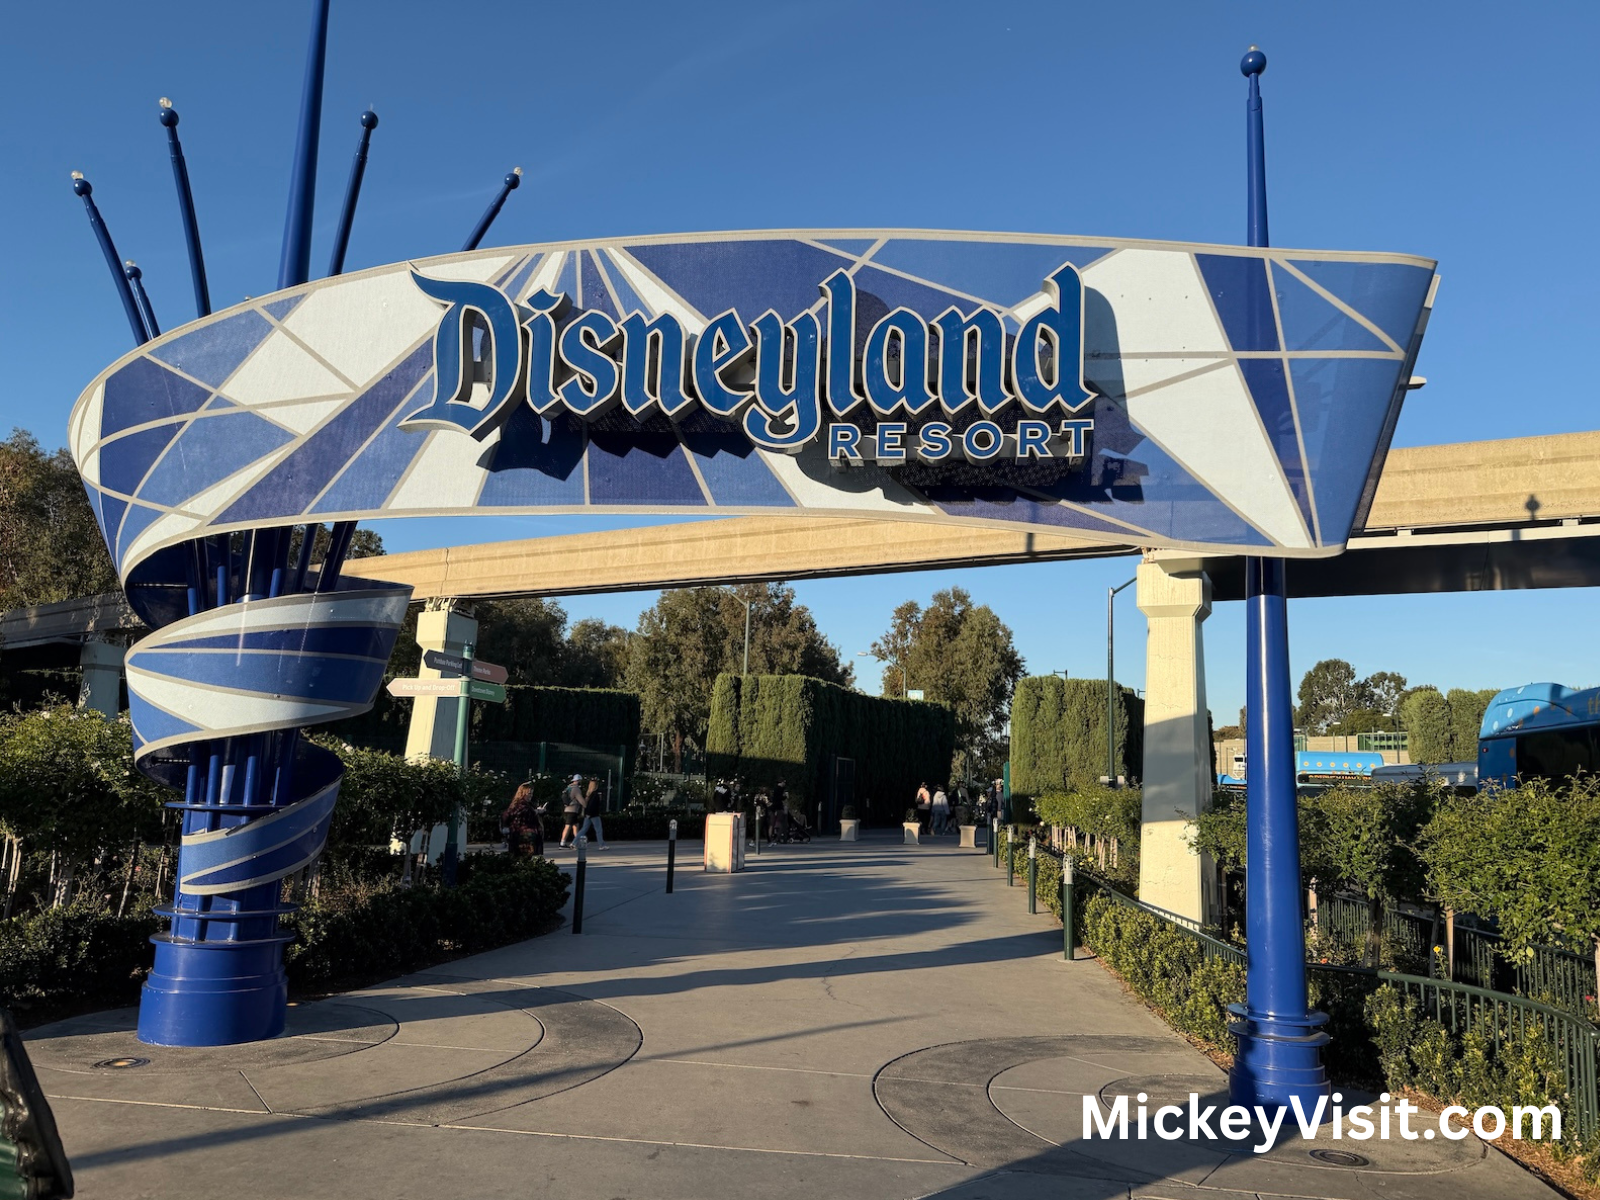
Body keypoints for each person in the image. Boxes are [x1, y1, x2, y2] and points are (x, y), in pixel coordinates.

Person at [502, 782, 546, 858]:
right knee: (523, 859)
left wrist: (539, 811)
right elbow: (522, 815)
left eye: (531, 793)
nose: (531, 796)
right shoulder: (520, 804)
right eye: (529, 793)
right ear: (523, 793)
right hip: (523, 837)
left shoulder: (527, 804)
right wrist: (537, 811)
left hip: (525, 836)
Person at [577, 777, 608, 849]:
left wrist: (586, 813)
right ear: (596, 786)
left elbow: (586, 805)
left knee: (583, 829)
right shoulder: (595, 795)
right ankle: (601, 845)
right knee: (599, 830)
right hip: (594, 814)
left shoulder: (588, 794)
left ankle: (574, 843)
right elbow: (593, 805)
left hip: (588, 814)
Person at [558, 773, 584, 848]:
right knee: (568, 826)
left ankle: (576, 842)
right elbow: (580, 799)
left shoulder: (568, 788)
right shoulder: (576, 789)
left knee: (576, 826)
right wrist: (585, 805)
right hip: (572, 810)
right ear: (578, 781)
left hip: (568, 809)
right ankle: (562, 843)